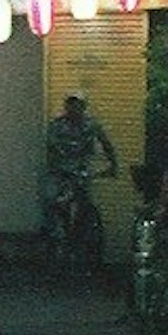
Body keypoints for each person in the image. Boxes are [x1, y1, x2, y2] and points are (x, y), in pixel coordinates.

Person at [43, 93, 118, 261]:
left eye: (77, 105)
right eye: (70, 105)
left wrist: (113, 165)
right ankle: (57, 237)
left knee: (84, 203)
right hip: (61, 171)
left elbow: (106, 144)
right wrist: (59, 162)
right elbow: (52, 146)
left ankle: (81, 241)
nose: (73, 109)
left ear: (83, 107)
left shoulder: (91, 125)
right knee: (52, 201)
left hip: (82, 171)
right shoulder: (57, 126)